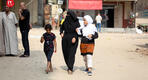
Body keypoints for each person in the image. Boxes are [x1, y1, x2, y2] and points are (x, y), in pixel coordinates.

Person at [60, 10, 80, 74]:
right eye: (67, 15)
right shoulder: (65, 21)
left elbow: (79, 32)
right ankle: (68, 65)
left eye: (69, 15)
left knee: (71, 54)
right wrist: (61, 33)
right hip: (65, 39)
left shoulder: (76, 22)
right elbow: (61, 28)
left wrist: (75, 37)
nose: (67, 16)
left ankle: (70, 68)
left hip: (73, 40)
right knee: (66, 53)